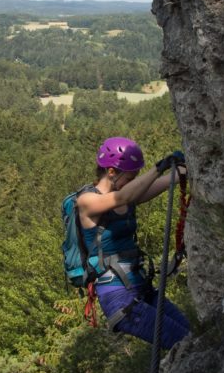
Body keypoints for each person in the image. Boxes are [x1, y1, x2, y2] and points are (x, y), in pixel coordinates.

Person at [75, 136, 190, 349]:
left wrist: (186, 167)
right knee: (185, 344)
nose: (135, 182)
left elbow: (166, 181)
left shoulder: (127, 195)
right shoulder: (87, 201)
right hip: (119, 299)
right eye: (131, 177)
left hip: (143, 290)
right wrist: (158, 168)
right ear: (111, 172)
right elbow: (124, 197)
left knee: (193, 336)